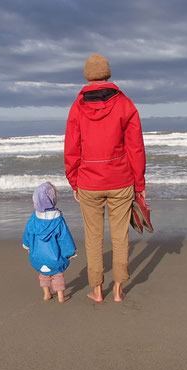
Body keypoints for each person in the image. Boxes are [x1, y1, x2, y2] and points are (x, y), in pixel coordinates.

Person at [64, 54, 146, 303]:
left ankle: (97, 291)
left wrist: (74, 180)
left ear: (88, 75)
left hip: (89, 182)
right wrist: (139, 185)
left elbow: (71, 148)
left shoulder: (77, 107)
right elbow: (136, 148)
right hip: (121, 180)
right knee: (120, 236)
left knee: (94, 237)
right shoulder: (126, 104)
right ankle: (119, 289)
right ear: (108, 74)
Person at [23, 182, 76, 303]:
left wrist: (27, 245)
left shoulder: (34, 218)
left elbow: (28, 234)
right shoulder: (58, 219)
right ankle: (61, 296)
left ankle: (47, 294)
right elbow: (64, 237)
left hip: (38, 256)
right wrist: (70, 252)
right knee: (57, 274)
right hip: (55, 257)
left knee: (43, 274)